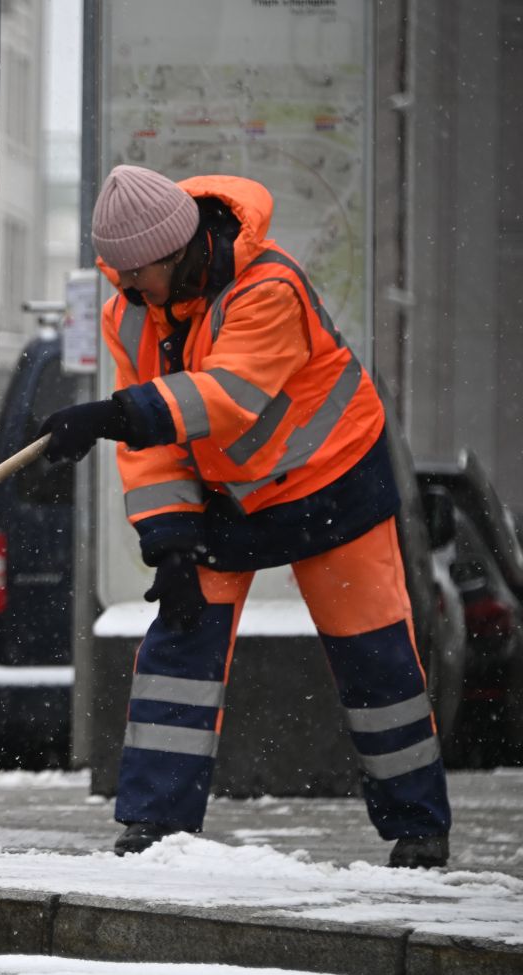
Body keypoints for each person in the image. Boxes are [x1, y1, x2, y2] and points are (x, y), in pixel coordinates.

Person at [38, 165, 451, 868]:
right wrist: (168, 539)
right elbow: (155, 449)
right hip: (229, 498)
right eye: (120, 275)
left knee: (373, 657)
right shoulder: (130, 311)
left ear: (179, 252)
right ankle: (155, 827)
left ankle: (418, 827)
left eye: (138, 274)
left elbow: (227, 397)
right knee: (180, 642)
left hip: (334, 480)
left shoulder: (269, 287)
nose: (128, 289)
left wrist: (116, 415)